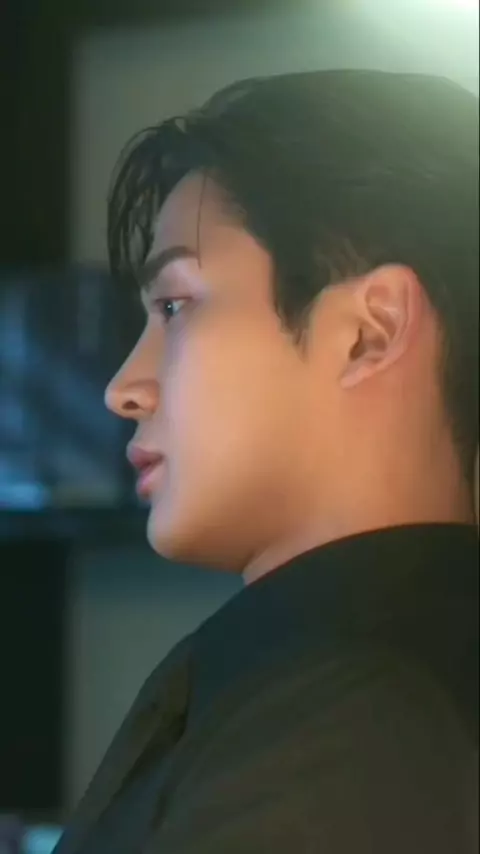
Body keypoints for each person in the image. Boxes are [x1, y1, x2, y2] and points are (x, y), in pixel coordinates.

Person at [56, 70, 479, 853]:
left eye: (175, 305)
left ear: (370, 332)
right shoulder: (320, 685)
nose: (123, 388)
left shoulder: (355, 725)